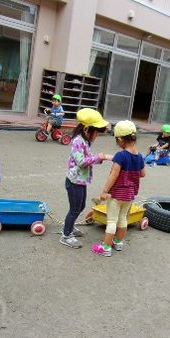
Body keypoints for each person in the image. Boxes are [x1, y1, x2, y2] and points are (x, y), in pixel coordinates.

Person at [60, 108, 113, 248]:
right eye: (96, 132)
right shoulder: (77, 141)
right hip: (74, 181)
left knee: (81, 206)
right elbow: (81, 161)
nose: (96, 135)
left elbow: (89, 158)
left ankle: (69, 227)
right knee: (74, 208)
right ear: (86, 129)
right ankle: (66, 234)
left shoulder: (86, 142)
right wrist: (99, 157)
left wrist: (99, 159)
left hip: (81, 181)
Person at [92, 120, 145, 257]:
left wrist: (104, 191)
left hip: (116, 194)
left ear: (121, 140)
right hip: (130, 195)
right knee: (123, 218)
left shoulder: (121, 155)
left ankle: (106, 247)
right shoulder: (139, 156)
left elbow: (114, 175)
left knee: (111, 220)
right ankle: (118, 242)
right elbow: (143, 174)